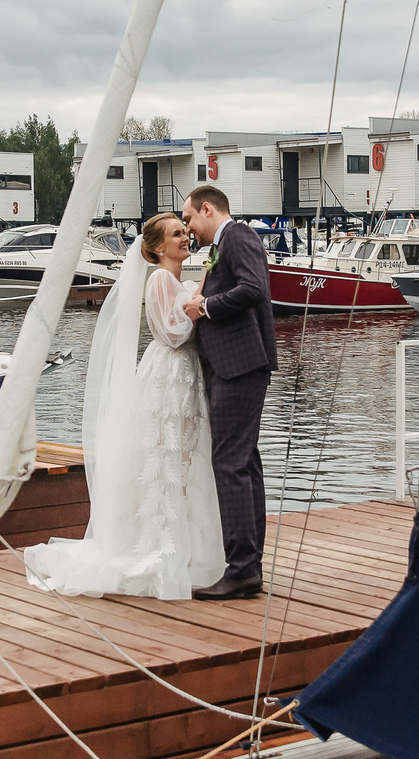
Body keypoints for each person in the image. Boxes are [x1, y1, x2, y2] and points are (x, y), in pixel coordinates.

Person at [22, 213, 225, 601]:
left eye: (185, 232)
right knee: (165, 454)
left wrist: (195, 298)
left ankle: (180, 542)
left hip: (183, 375)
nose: (185, 238)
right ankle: (159, 544)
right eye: (176, 234)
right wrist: (198, 309)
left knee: (180, 456)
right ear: (158, 247)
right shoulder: (162, 279)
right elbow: (172, 333)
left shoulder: (175, 280)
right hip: (169, 373)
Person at [180, 183, 274, 599]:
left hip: (240, 366)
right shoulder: (224, 244)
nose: (188, 230)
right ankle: (247, 564)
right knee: (244, 463)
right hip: (232, 366)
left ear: (206, 209)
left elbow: (255, 288)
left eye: (188, 220)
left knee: (230, 464)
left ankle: (241, 568)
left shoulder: (237, 236)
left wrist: (206, 307)